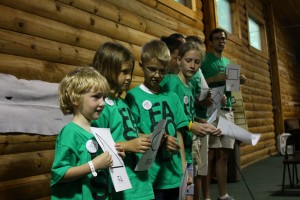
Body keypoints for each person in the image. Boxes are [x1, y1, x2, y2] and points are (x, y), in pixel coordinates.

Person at [125, 39, 189, 200]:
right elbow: (131, 134)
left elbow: (179, 133)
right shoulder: (133, 97)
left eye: (162, 71)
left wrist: (184, 167)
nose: (157, 75)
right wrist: (157, 139)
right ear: (141, 65)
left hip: (174, 173)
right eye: (151, 69)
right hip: (150, 176)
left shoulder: (172, 97)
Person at [90, 42, 154, 200]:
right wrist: (129, 146)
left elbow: (125, 133)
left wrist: (144, 138)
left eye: (130, 72)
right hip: (121, 187)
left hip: (141, 183)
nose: (129, 78)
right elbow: (95, 148)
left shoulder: (122, 102)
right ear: (108, 70)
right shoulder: (101, 107)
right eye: (124, 72)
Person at [51, 66, 125, 200]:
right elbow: (59, 174)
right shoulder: (70, 133)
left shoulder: (98, 131)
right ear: (75, 99)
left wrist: (115, 156)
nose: (102, 103)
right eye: (96, 97)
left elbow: (100, 164)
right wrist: (94, 165)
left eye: (104, 97)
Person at [162, 41, 222, 200]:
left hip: (188, 149)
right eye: (188, 60)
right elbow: (167, 115)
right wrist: (190, 125)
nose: (192, 66)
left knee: (189, 192)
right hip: (174, 150)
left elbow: (185, 114)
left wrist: (202, 122)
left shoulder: (188, 87)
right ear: (179, 59)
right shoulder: (172, 83)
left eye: (197, 62)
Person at [201, 28, 247, 200]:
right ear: (211, 42)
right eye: (217, 38)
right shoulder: (204, 60)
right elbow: (197, 82)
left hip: (227, 111)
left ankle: (223, 195)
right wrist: (213, 80)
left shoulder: (229, 62)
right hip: (210, 110)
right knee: (210, 155)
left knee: (224, 155)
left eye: (223, 38)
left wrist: (239, 82)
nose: (221, 41)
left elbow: (232, 90)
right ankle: (206, 197)